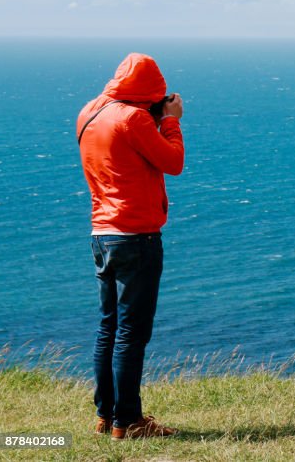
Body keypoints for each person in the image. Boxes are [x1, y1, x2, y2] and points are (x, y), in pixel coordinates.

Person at [77, 53, 184, 440]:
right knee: (132, 334)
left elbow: (124, 150)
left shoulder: (91, 112)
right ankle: (129, 421)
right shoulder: (135, 119)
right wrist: (169, 121)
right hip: (136, 237)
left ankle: (107, 416)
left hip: (101, 234)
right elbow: (172, 162)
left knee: (109, 327)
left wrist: (153, 118)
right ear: (150, 91)